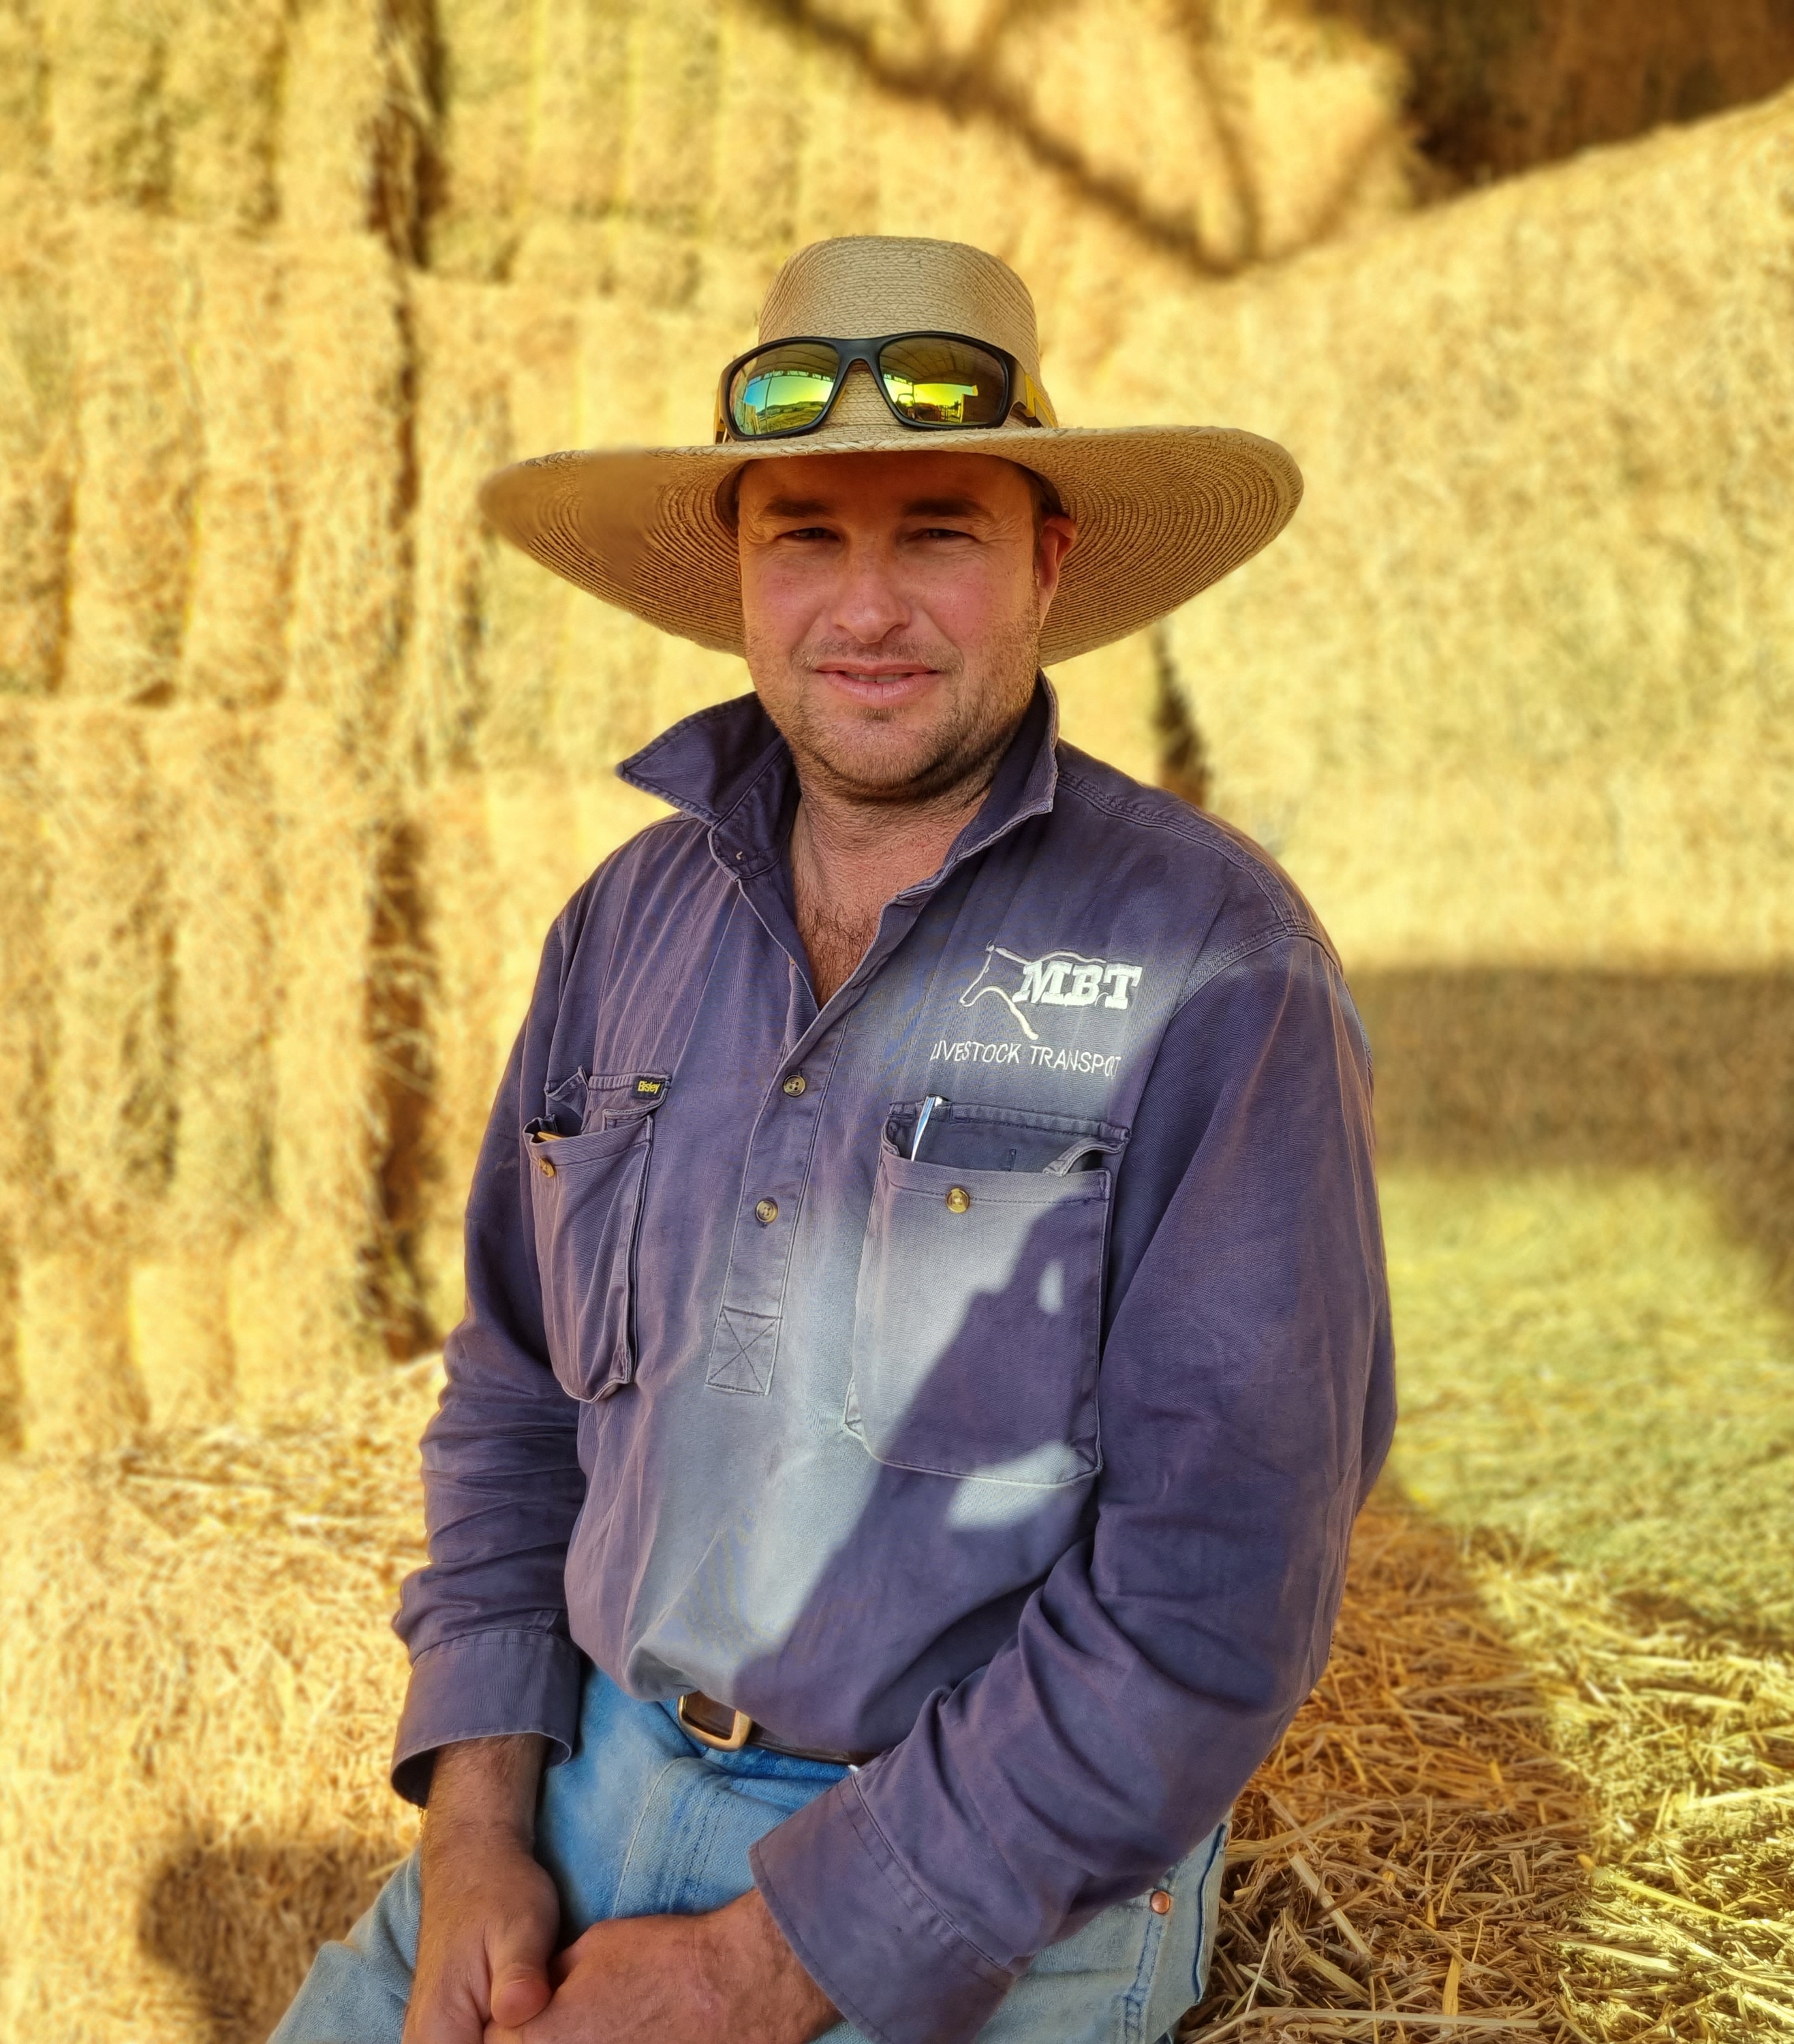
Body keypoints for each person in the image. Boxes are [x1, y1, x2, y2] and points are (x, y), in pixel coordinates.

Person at [270, 235, 1395, 2044]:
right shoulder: (619, 930)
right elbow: (512, 1401)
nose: (864, 610)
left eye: (936, 530)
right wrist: (481, 1823)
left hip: (983, 1878)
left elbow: (1215, 1591)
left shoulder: (1212, 969)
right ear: (737, 571)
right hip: (586, 1784)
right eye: (807, 535)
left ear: (1049, 559)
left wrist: (761, 1964)